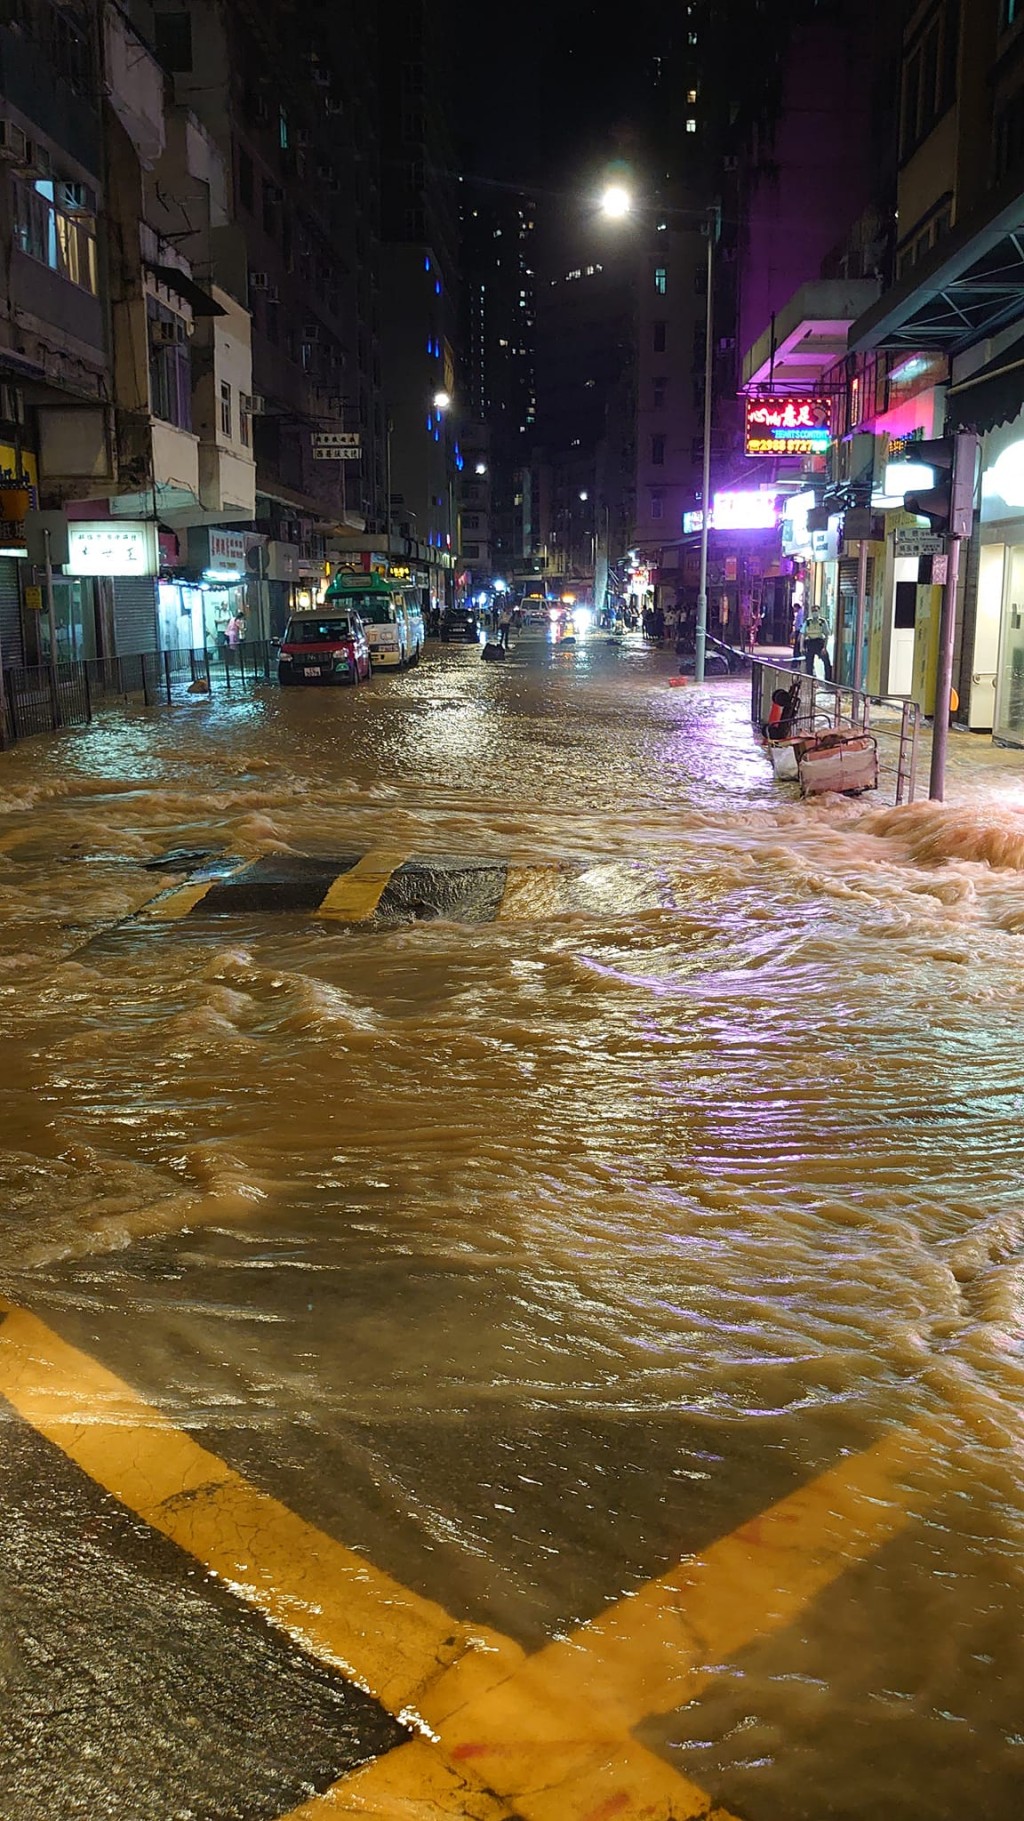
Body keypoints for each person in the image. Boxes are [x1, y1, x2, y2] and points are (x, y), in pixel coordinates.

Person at [802, 603, 833, 679]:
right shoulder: (808, 621)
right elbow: (803, 634)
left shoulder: (822, 622)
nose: (814, 612)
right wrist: (802, 647)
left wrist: (824, 648)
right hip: (810, 643)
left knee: (826, 662)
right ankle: (809, 679)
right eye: (813, 611)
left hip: (819, 643)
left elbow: (826, 635)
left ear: (819, 611)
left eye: (816, 610)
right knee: (809, 663)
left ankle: (828, 679)